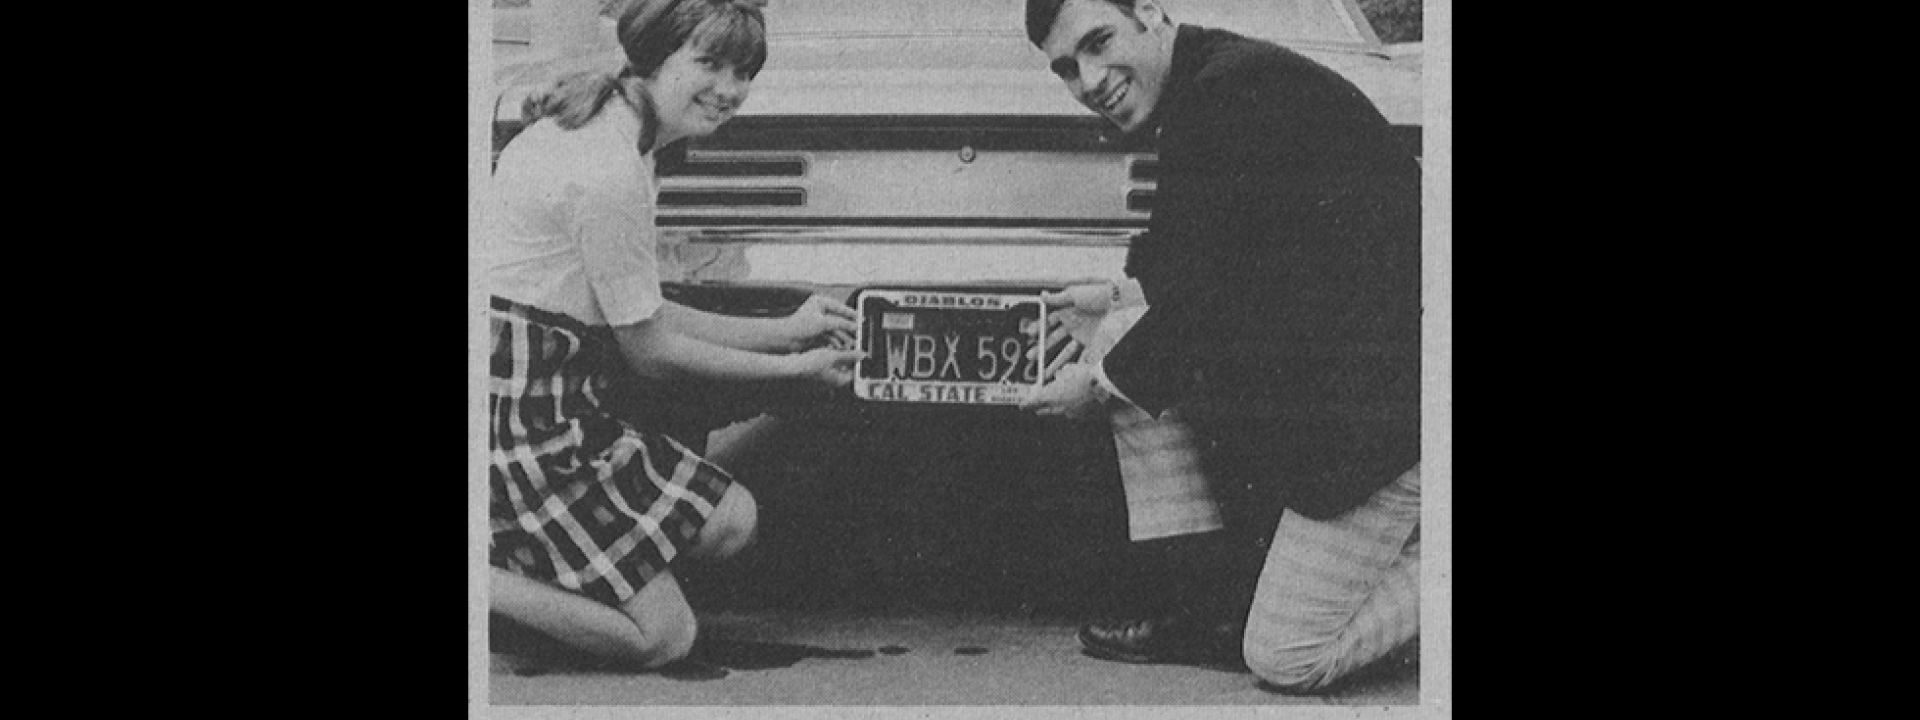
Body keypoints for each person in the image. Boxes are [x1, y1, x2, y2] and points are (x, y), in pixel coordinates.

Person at [1018, 0, 1422, 692]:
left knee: (1288, 656)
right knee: (1124, 353)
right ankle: (1207, 609)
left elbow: (1211, 302)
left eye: (1097, 42)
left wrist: (1093, 382)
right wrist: (1112, 302)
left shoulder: (1229, 94)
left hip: (1398, 420)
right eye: (1065, 68)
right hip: (1349, 384)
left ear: (1150, 11)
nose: (1087, 79)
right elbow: (1218, 260)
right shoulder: (1210, 85)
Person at [483, 0, 864, 669]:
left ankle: (538, 569)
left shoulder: (619, 125)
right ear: (656, 54)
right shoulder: (607, 166)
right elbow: (652, 353)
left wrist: (788, 330)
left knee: (729, 521)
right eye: (709, 62)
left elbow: (643, 309)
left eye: (744, 70)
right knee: (665, 637)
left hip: (547, 390)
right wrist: (794, 372)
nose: (731, 89)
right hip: (521, 419)